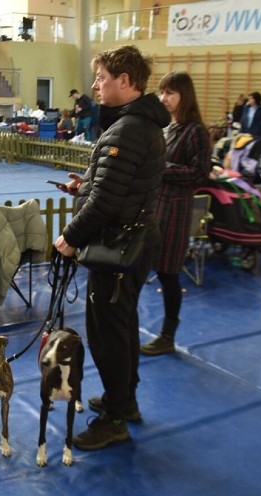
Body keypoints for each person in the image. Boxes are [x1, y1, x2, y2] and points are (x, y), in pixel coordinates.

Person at [54, 45, 169, 450]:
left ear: (125, 80)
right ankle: (125, 401)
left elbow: (107, 201)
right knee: (119, 330)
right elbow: (113, 188)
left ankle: (116, 417)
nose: (95, 85)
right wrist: (83, 187)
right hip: (129, 243)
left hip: (120, 247)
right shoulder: (134, 124)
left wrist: (70, 237)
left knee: (108, 336)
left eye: (102, 78)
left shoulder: (131, 129)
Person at [141, 71, 212, 356]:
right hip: (156, 208)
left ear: (185, 95)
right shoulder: (170, 128)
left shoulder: (196, 131)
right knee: (143, 268)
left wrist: (162, 169)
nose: (164, 98)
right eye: (162, 92)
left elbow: (200, 172)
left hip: (176, 212)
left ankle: (167, 335)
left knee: (169, 275)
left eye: (170, 93)